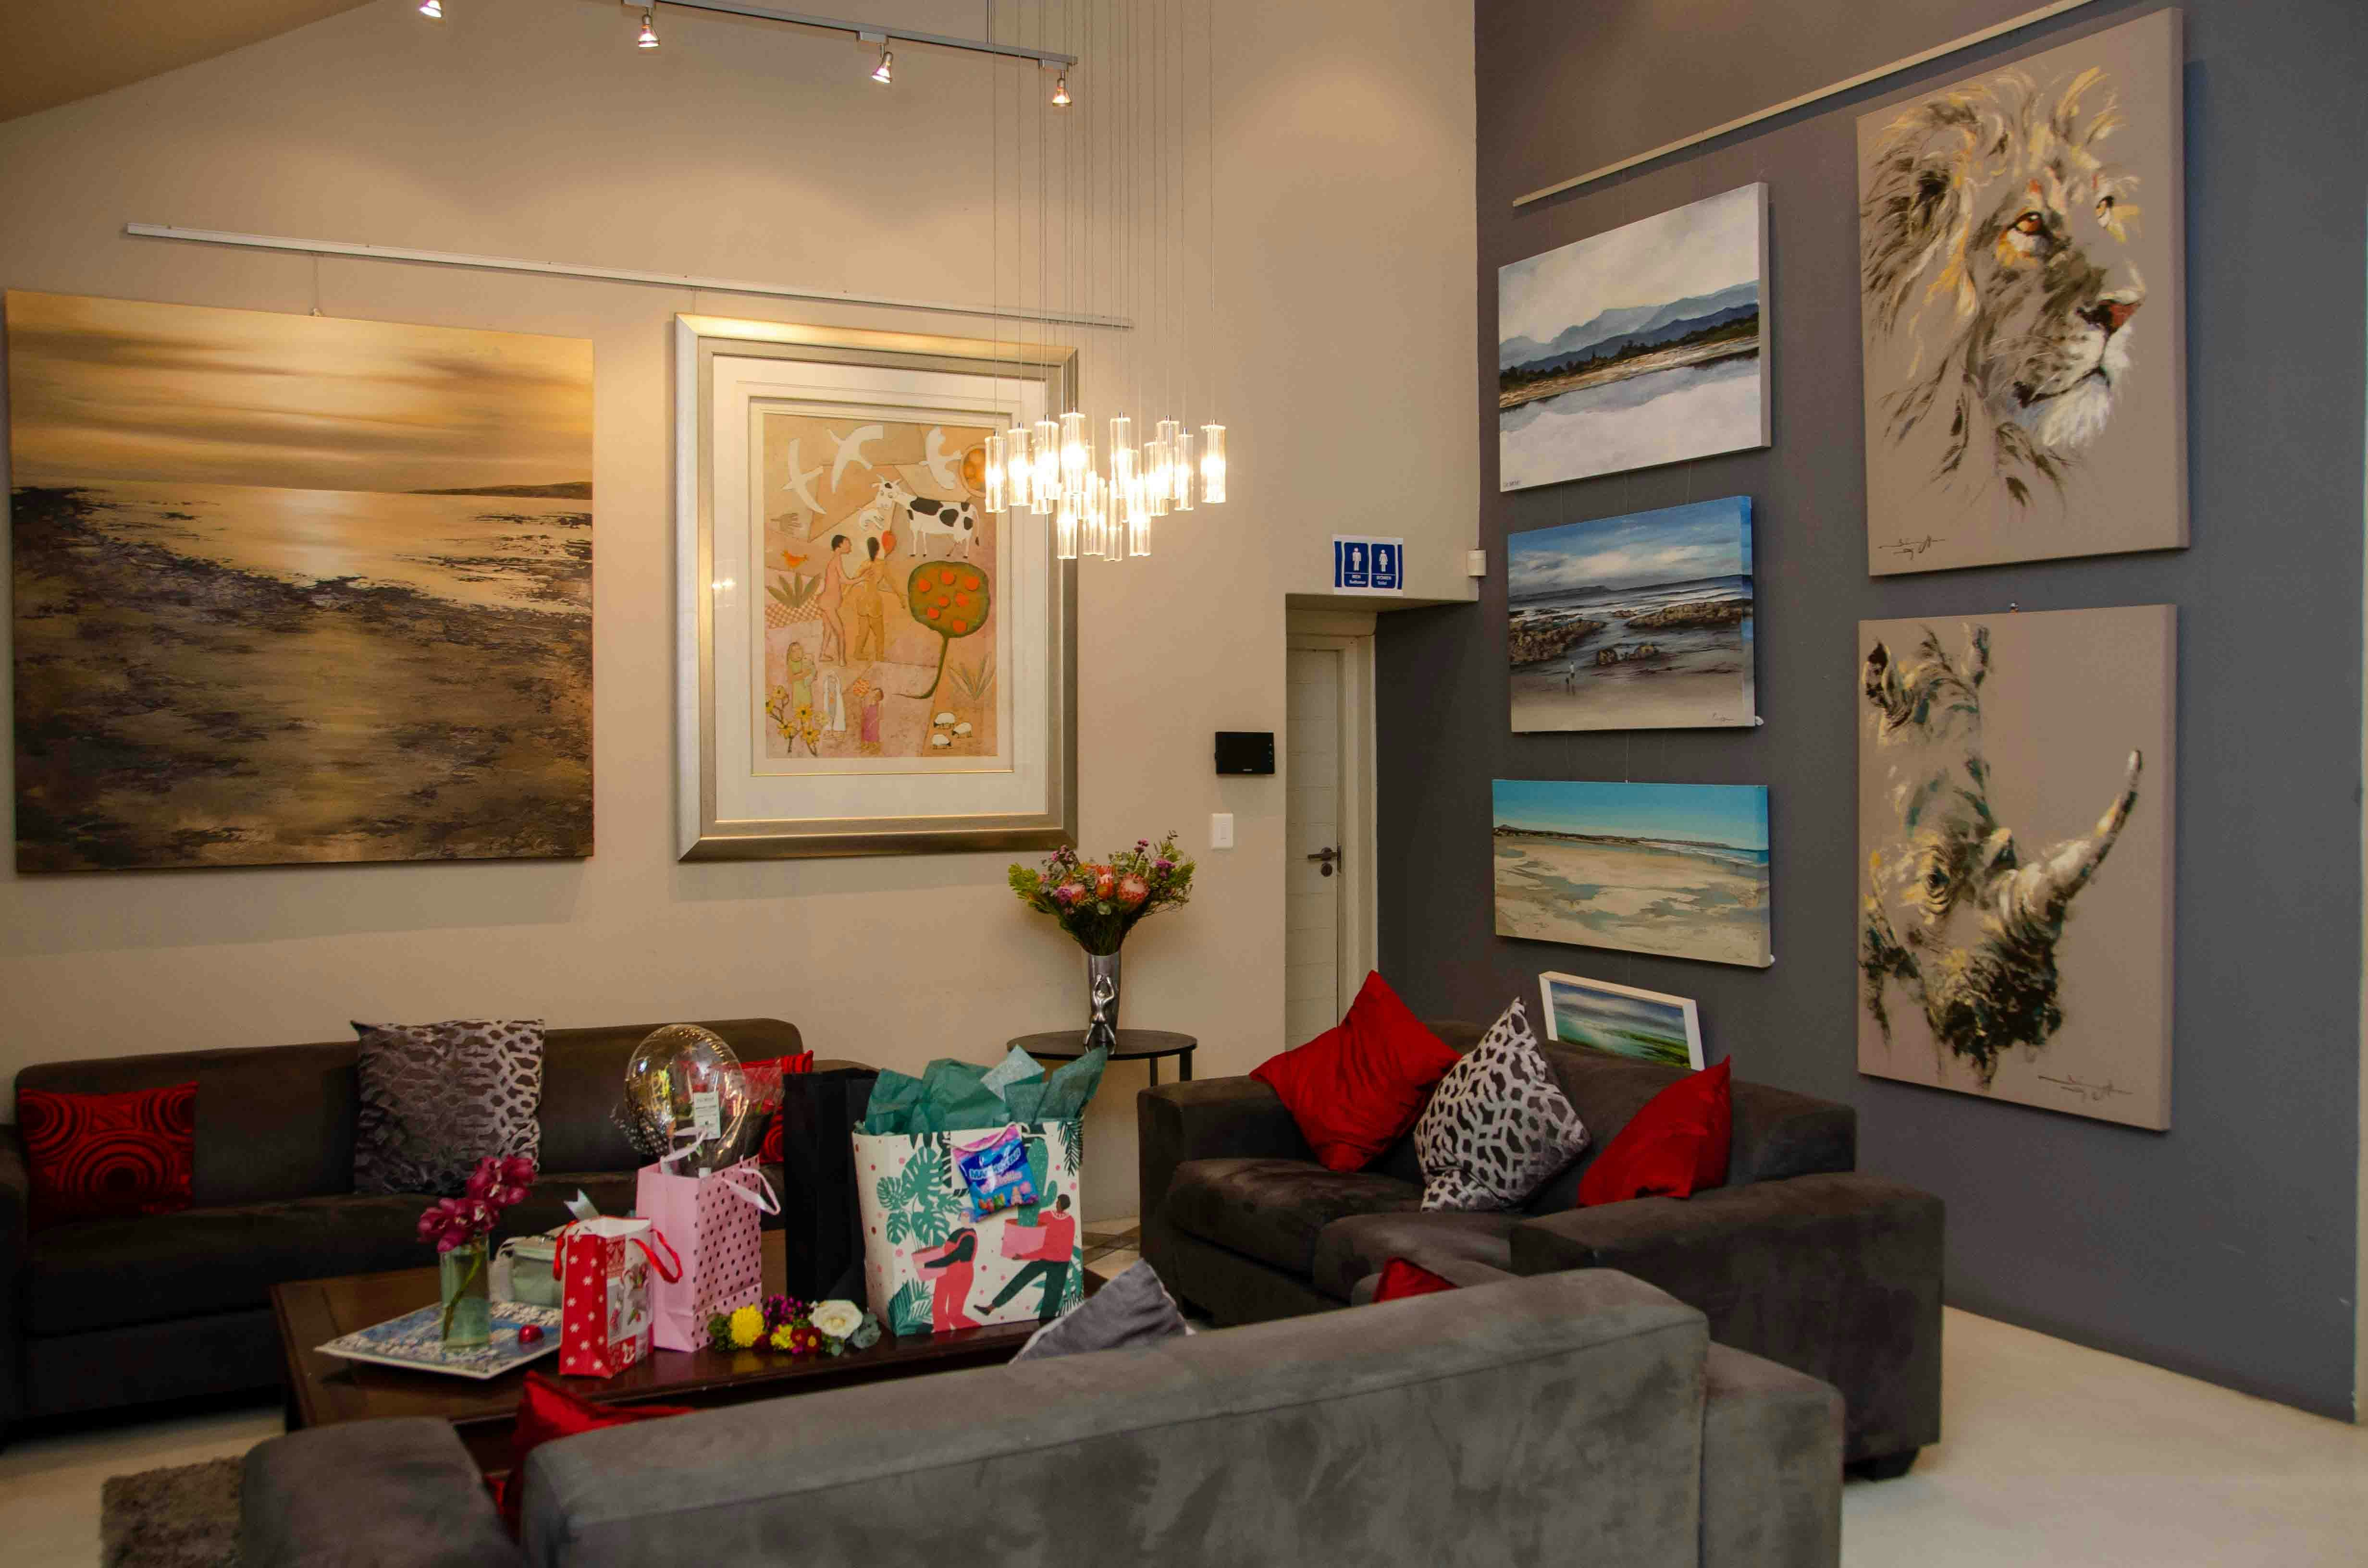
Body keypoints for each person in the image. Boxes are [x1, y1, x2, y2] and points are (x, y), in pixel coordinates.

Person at [981, 1192, 1076, 1321]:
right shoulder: (1056, 1217)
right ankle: (991, 1308)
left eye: (1058, 1201)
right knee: (1022, 1281)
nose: (1056, 1203)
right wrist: (1012, 1238)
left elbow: (1038, 1237)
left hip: (1057, 1262)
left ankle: (1045, 1325)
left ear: (1061, 1203)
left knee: (1051, 1296)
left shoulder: (1061, 1219)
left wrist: (1023, 1255)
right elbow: (1028, 1227)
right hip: (1051, 1259)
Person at [916, 1228, 980, 1333]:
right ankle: (942, 1337)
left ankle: (978, 1334)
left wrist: (925, 1265)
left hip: (961, 1276)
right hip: (945, 1274)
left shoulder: (969, 1237)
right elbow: (947, 1255)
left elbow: (950, 1259)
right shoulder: (958, 1232)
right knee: (938, 1309)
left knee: (955, 1315)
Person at [814, 534, 853, 664]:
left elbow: (838, 581)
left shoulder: (836, 560)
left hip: (826, 602)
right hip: (828, 604)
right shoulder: (836, 560)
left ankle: (822, 655)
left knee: (828, 630)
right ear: (840, 545)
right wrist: (862, 578)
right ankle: (842, 660)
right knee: (840, 633)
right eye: (848, 543)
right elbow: (846, 580)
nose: (850, 546)